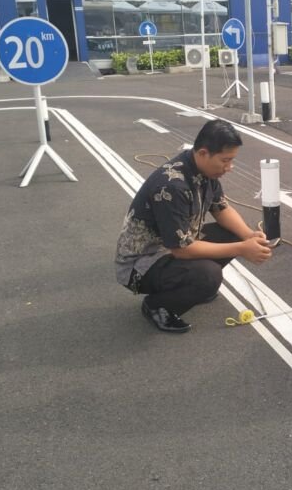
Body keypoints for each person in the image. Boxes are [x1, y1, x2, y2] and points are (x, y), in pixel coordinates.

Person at [115, 119, 272, 333]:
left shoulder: (205, 171)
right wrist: (243, 249)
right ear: (203, 153)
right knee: (209, 275)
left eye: (232, 160)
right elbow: (182, 250)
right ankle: (158, 305)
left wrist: (248, 236)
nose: (230, 167)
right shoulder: (172, 186)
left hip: (173, 246)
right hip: (142, 264)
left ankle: (190, 287)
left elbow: (221, 209)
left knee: (234, 234)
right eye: (225, 161)